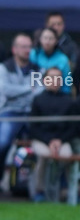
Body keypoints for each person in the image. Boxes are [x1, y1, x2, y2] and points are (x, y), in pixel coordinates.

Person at [27, 67, 75, 202]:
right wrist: (49, 141)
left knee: (67, 155)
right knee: (44, 155)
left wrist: (59, 140)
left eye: (58, 78)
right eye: (51, 77)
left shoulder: (68, 100)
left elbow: (72, 127)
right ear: (44, 80)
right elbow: (33, 127)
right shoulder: (37, 100)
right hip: (41, 139)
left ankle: (68, 190)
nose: (55, 81)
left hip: (62, 140)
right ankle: (39, 190)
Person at [0, 34, 42, 174]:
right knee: (3, 143)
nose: (27, 50)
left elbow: (40, 91)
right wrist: (29, 88)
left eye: (29, 46)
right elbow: (5, 90)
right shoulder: (4, 68)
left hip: (31, 113)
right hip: (10, 112)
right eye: (24, 46)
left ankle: (35, 187)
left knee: (44, 142)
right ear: (14, 49)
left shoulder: (37, 69)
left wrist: (19, 91)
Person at [31, 27, 72, 94]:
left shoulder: (63, 59)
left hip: (56, 95)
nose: (47, 42)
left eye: (51, 39)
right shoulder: (33, 54)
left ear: (56, 41)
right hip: (34, 93)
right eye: (45, 38)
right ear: (40, 39)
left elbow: (67, 83)